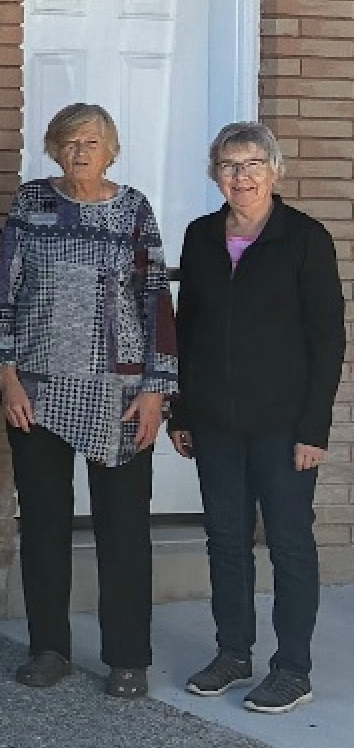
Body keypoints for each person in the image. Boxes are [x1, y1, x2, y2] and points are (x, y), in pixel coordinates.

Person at [0, 101, 176, 697]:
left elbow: (157, 302)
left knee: (123, 528)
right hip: (38, 392)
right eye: (69, 141)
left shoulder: (134, 209)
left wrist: (156, 390)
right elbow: (3, 289)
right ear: (53, 147)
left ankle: (128, 656)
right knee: (44, 525)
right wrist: (7, 373)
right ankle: (49, 649)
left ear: (111, 148)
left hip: (119, 394)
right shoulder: (31, 203)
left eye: (92, 141)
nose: (80, 151)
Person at [171, 121, 344, 714]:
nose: (240, 176)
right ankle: (233, 652)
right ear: (214, 173)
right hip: (216, 421)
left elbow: (328, 341)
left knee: (290, 542)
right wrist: (181, 410)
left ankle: (293, 667)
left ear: (274, 170)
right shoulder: (198, 237)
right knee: (225, 540)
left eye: (251, 164)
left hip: (282, 425)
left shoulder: (305, 238)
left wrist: (313, 430)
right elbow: (186, 329)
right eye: (228, 165)